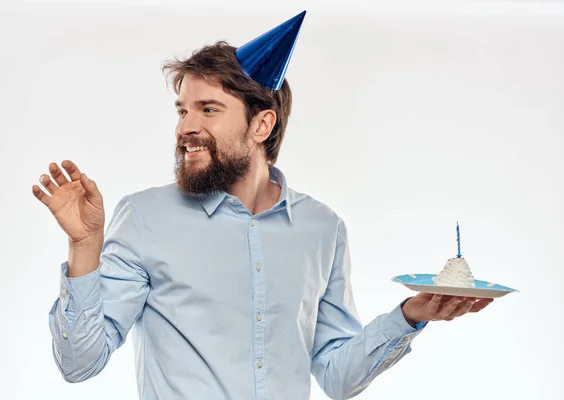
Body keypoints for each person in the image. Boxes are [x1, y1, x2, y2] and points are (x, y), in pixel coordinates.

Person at [32, 11, 493, 400]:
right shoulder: (146, 219)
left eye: (208, 110)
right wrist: (84, 246)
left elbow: (336, 375)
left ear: (261, 125)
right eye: (182, 110)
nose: (185, 127)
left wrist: (410, 315)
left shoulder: (322, 228)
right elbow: (80, 363)